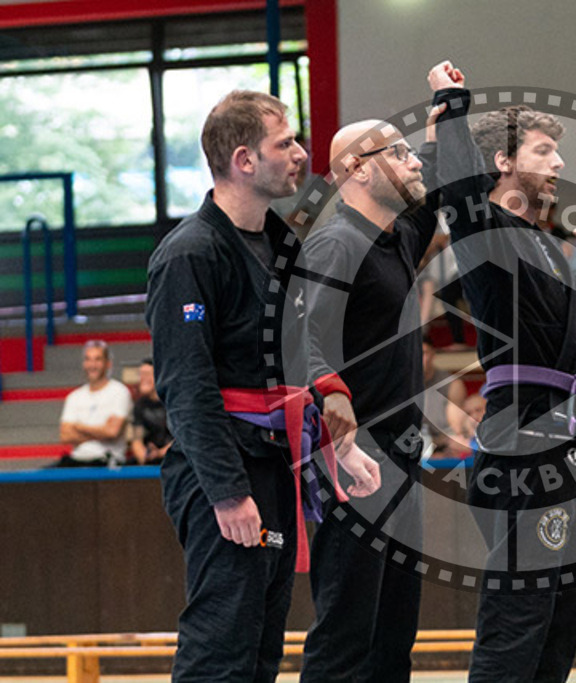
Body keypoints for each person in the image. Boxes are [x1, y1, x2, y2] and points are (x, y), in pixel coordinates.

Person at [146, 90, 379, 683]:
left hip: (276, 461)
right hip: (221, 468)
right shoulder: (190, 254)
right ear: (245, 160)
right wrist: (226, 492)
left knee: (262, 642)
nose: (301, 154)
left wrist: (340, 444)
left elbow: (301, 357)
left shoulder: (281, 245)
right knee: (223, 637)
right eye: (287, 143)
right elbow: (187, 387)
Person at [429, 60, 576, 683]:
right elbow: (458, 191)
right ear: (503, 165)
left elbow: (573, 336)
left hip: (565, 441)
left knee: (559, 614)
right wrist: (454, 105)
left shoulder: (541, 244)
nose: (558, 164)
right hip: (521, 440)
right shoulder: (485, 231)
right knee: (520, 612)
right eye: (544, 151)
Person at [299, 105, 445, 683]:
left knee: (392, 635)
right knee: (347, 634)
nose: (412, 163)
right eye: (399, 154)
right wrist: (339, 430)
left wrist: (441, 126)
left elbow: (431, 198)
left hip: (401, 459)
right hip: (356, 462)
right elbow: (299, 344)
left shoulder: (394, 239)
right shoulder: (336, 244)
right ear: (357, 169)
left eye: (412, 154)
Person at [56, 339, 133, 467]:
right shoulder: (74, 397)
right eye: (88, 359)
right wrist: (101, 431)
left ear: (108, 363)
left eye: (97, 359)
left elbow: (112, 432)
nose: (92, 365)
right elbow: (65, 436)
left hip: (108, 461)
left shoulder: (120, 392)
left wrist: (78, 427)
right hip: (76, 460)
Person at [422, 336, 468, 457]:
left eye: (424, 353)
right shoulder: (402, 385)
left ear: (433, 354)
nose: (420, 359)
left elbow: (456, 429)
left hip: (443, 446)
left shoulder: (453, 385)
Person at [129, 357, 172, 465]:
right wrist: (144, 456)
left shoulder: (173, 402)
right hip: (150, 457)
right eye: (141, 375)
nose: (143, 378)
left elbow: (180, 439)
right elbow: (136, 439)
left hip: (173, 456)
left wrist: (160, 453)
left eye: (147, 374)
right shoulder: (139, 405)